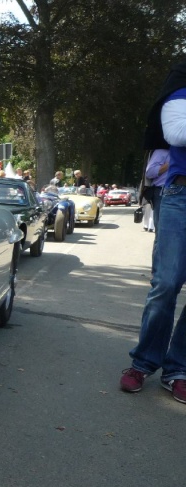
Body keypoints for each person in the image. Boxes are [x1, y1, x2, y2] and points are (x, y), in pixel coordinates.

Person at [120, 60, 186, 404]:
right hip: (180, 194)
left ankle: (179, 369)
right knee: (166, 283)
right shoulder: (181, 83)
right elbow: (176, 133)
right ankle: (144, 362)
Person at [143, 148, 169, 232]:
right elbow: (149, 173)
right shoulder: (161, 152)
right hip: (162, 192)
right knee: (162, 232)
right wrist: (170, 164)